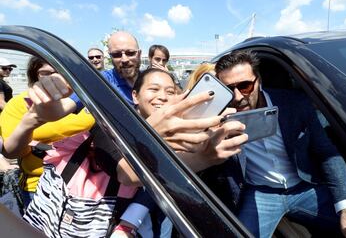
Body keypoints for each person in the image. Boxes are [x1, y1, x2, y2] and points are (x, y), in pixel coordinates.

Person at [214, 51, 346, 238]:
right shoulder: (216, 118)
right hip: (260, 193)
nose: (238, 96)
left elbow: (326, 152)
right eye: (229, 89)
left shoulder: (294, 103)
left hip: (304, 187)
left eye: (245, 86)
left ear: (259, 81)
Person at [110, 68, 247, 237]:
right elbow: (125, 174)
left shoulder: (185, 126)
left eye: (170, 91)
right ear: (135, 96)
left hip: (168, 214)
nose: (162, 96)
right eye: (154, 89)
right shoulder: (114, 124)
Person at [0, 56, 95, 208]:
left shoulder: (85, 101)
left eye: (60, 72)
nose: (54, 78)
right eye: (46, 73)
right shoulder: (20, 104)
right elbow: (11, 152)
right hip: (40, 188)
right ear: (35, 75)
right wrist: (29, 123)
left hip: (89, 187)